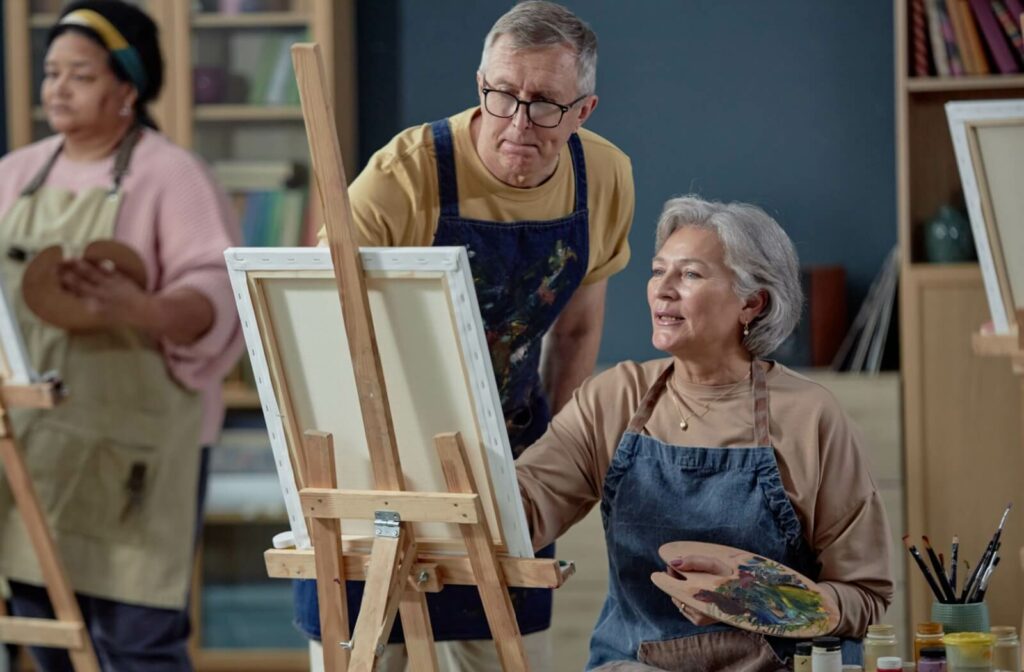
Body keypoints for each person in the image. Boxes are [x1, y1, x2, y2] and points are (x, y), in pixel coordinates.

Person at [305, 1, 633, 668]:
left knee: (508, 651)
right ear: (480, 81)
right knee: (370, 652)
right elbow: (316, 323)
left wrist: (554, 470)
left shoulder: (602, 177)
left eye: (544, 103)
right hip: (379, 462)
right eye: (501, 94)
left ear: (583, 111)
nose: (516, 121)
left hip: (508, 455)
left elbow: (575, 334)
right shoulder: (405, 174)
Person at [515, 195, 894, 671]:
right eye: (658, 271)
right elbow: (521, 514)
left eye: (690, 274)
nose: (663, 290)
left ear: (751, 303)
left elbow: (864, 593)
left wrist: (760, 600)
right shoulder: (614, 398)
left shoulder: (809, 416)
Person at [0, 1, 242, 669]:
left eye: (79, 75)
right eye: (51, 73)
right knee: (44, 629)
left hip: (135, 451)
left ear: (127, 89)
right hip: (35, 450)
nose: (57, 89)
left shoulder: (173, 175)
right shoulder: (15, 176)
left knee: (137, 638)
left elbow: (219, 295)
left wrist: (139, 308)